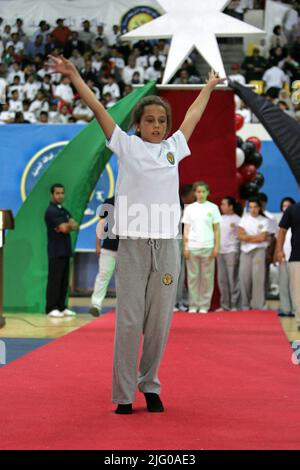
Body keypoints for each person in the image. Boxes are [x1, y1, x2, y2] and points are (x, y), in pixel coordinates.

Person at [46, 53, 224, 414]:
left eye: (162, 121)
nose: (157, 126)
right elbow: (97, 107)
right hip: (132, 245)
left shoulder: (175, 147)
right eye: (150, 121)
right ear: (138, 125)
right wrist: (76, 75)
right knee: (129, 321)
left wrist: (208, 87)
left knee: (159, 322)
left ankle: (150, 384)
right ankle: (124, 394)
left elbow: (192, 116)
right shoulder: (125, 145)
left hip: (168, 245)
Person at [182, 182, 221, 314]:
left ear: (208, 192)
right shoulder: (189, 209)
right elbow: (186, 229)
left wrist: (216, 247)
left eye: (203, 191)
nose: (201, 194)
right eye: (198, 192)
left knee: (207, 278)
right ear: (194, 193)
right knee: (193, 278)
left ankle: (204, 305)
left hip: (208, 246)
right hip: (193, 246)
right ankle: (193, 304)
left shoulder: (213, 208)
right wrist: (185, 247)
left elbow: (216, 230)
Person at [45, 184, 79, 318]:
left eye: (62, 193)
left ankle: (61, 306)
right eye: (57, 193)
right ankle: (51, 307)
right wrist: (65, 226)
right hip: (55, 250)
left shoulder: (63, 210)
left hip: (65, 250)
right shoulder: (51, 211)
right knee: (55, 280)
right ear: (52, 195)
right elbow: (65, 228)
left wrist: (67, 226)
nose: (60, 195)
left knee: (64, 281)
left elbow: (74, 225)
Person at [89, 196, 119, 317]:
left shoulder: (133, 199)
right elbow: (101, 223)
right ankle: (96, 304)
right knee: (103, 276)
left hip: (127, 249)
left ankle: (122, 306)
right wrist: (97, 244)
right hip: (108, 246)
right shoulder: (109, 201)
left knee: (126, 279)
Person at [238, 198, 269, 310]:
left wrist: (247, 237)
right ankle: (245, 304)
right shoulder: (244, 219)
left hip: (258, 251)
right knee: (244, 277)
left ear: (259, 208)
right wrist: (254, 237)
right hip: (245, 251)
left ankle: (257, 305)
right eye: (250, 207)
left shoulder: (264, 220)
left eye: (255, 207)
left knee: (258, 278)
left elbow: (262, 237)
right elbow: (240, 235)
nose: (253, 209)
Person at [276, 198, 300, 329]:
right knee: (297, 291)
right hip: (297, 256)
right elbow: (282, 231)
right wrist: (279, 250)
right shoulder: (292, 209)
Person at [217, 197, 241, 311]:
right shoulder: (219, 218)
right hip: (220, 251)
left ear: (231, 206)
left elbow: (240, 236)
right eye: (221, 204)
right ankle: (225, 305)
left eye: (224, 204)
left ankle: (235, 304)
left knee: (233, 278)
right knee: (222, 280)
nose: (221, 206)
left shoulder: (237, 219)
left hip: (232, 251)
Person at [174, 184, 195, 312]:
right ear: (185, 196)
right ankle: (173, 302)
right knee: (174, 273)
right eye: (192, 196)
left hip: (185, 242)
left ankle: (180, 301)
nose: (193, 198)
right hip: (175, 241)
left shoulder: (190, 208)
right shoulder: (175, 207)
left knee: (181, 275)